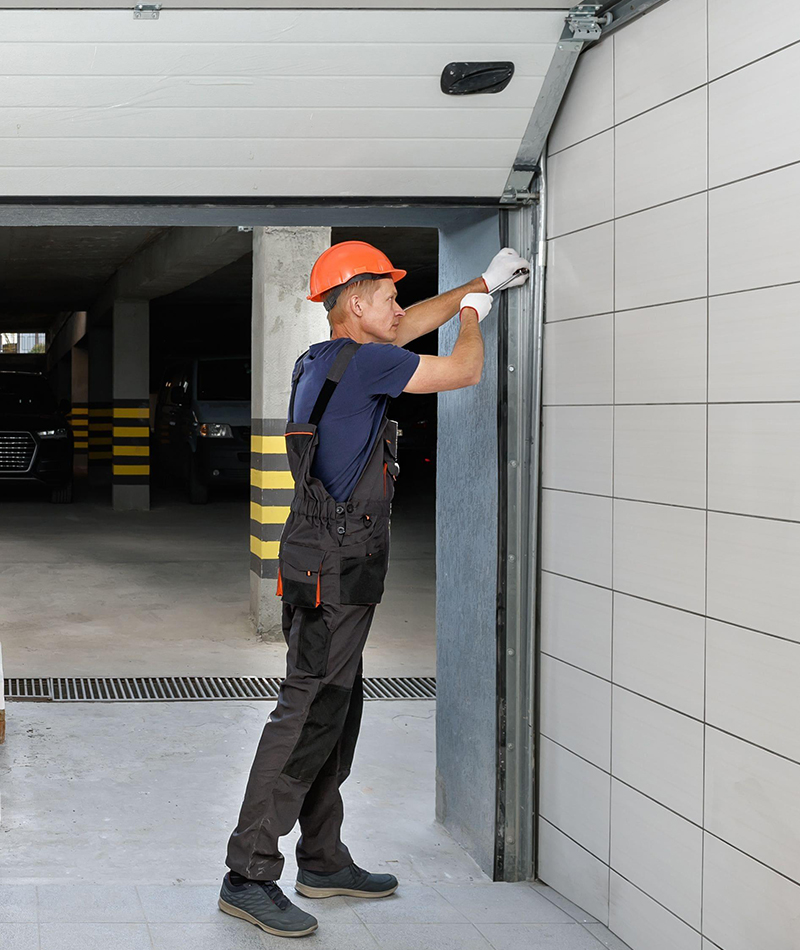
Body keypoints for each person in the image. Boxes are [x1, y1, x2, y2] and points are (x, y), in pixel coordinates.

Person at [218, 241, 531, 938]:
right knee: (306, 715)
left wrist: (480, 282)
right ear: (356, 303)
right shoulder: (371, 363)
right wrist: (476, 314)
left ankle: (323, 860)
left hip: (321, 562)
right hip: (337, 565)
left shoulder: (324, 360)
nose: (398, 305)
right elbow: (463, 370)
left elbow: (407, 327)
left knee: (336, 708)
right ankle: (248, 873)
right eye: (387, 294)